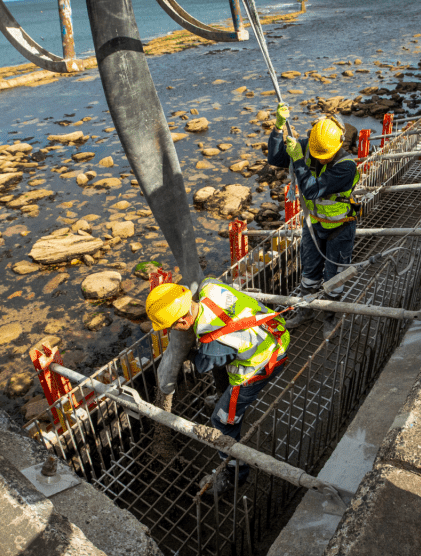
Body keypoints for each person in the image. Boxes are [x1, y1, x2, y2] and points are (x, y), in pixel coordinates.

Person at [145, 279, 289, 497]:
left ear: (183, 322)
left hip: (261, 364)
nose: (170, 331)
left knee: (221, 420)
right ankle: (224, 396)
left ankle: (233, 474)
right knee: (224, 366)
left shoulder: (214, 342)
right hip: (275, 333)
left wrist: (184, 352)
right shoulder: (209, 287)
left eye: (170, 327)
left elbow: (203, 364)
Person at [266, 104, 360, 329]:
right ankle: (305, 314)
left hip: (340, 228)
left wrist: (298, 160)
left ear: (339, 144)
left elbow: (311, 189)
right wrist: (278, 127)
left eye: (325, 156)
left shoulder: (347, 167)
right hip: (313, 226)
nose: (322, 159)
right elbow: (276, 158)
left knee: (334, 279)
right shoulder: (311, 147)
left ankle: (330, 317)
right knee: (309, 273)